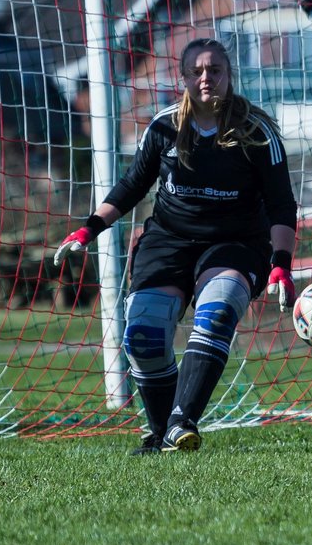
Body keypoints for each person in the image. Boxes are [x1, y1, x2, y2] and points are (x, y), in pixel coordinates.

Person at [53, 37, 298, 454]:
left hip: (236, 243)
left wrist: (281, 264)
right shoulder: (164, 126)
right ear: (183, 78)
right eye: (197, 71)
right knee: (144, 335)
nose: (207, 78)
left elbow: (281, 203)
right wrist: (88, 229)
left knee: (218, 310)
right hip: (168, 239)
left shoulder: (257, 132)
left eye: (215, 70)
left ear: (228, 75)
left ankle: (182, 422)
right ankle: (161, 432)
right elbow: (133, 185)